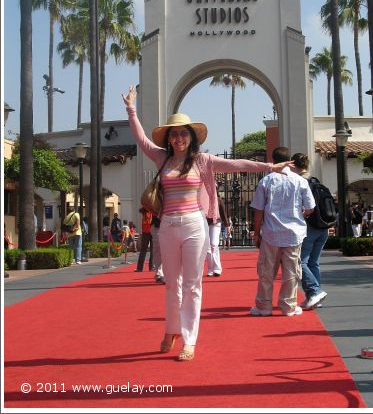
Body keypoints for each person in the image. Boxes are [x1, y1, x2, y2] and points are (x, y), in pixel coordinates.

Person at [122, 84, 293, 361]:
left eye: (183, 133)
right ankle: (171, 329)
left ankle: (189, 339)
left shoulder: (203, 160)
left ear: (191, 137)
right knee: (171, 283)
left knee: (192, 284)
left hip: (193, 225)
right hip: (167, 226)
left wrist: (269, 167)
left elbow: (237, 164)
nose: (178, 138)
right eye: (174, 134)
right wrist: (131, 108)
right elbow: (141, 139)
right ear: (169, 138)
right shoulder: (161, 157)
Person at [249, 148, 315, 317]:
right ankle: (288, 306)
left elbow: (258, 210)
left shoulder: (266, 181)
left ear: (273, 159)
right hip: (294, 233)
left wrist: (257, 233)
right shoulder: (300, 181)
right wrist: (300, 212)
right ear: (290, 160)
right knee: (291, 272)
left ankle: (264, 306)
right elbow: (310, 207)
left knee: (266, 271)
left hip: (271, 232)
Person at [296, 153, 330, 310]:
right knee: (313, 262)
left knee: (300, 261)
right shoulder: (316, 181)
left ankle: (315, 292)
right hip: (323, 227)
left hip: (309, 228)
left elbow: (306, 208)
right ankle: (316, 297)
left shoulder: (300, 182)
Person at [205, 186, 230, 277]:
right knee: (207, 247)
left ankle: (217, 269)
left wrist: (227, 226)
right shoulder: (203, 200)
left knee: (214, 244)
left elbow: (223, 213)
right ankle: (211, 269)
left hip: (216, 223)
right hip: (205, 224)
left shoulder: (219, 200)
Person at [135, 207, 154, 272]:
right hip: (152, 231)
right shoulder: (152, 210)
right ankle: (151, 267)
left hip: (145, 232)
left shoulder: (144, 211)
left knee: (143, 250)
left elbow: (140, 210)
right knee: (152, 250)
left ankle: (139, 268)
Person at [151, 216, 165, 284]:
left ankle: (162, 274)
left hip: (171, 225)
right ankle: (159, 274)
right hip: (157, 226)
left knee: (166, 252)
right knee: (158, 252)